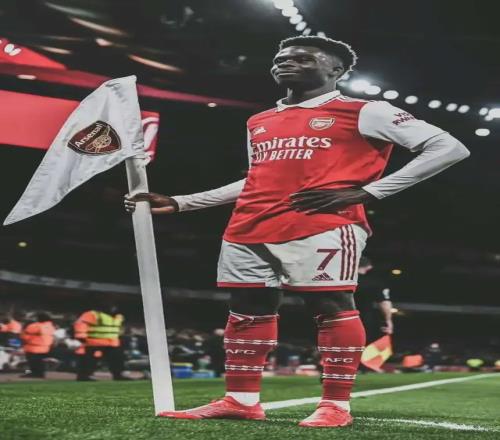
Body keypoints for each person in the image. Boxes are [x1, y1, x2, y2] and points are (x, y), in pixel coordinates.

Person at [125, 35, 469, 427]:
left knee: (331, 306)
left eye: (303, 58)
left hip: (322, 223)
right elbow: (256, 179)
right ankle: (241, 400)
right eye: (281, 58)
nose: (286, 62)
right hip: (248, 224)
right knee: (247, 310)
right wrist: (183, 202)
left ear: (336, 70)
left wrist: (369, 192)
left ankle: (335, 405)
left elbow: (448, 148)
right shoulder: (259, 120)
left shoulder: (366, 111)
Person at [74, 304, 128, 381]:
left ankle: (118, 375)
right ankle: (83, 376)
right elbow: (81, 323)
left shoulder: (118, 316)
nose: (113, 309)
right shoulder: (93, 314)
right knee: (89, 360)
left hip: (112, 343)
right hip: (94, 342)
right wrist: (81, 335)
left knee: (117, 360)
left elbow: (118, 328)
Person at [356, 257, 394, 343]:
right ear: (369, 267)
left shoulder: (343, 281)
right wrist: (388, 320)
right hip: (364, 321)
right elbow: (385, 304)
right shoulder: (376, 283)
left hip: (339, 320)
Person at [20, 312, 55, 378]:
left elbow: (25, 335)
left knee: (32, 362)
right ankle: (40, 374)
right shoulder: (50, 326)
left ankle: (33, 373)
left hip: (33, 347)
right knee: (39, 361)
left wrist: (25, 328)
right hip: (45, 347)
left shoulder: (35, 325)